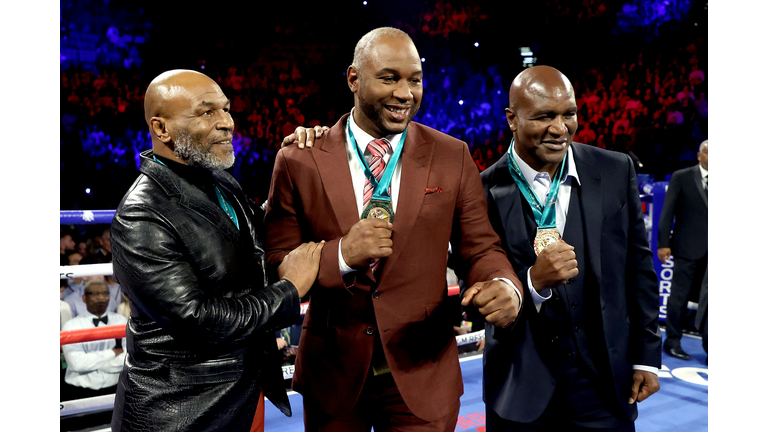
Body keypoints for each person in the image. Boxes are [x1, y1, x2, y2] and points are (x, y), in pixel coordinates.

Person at [266, 27, 523, 432]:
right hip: (334, 375)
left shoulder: (451, 155)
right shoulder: (300, 159)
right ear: (353, 79)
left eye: (415, 79)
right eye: (389, 78)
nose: (405, 93)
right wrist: (340, 256)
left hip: (422, 371)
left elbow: (481, 248)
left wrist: (503, 283)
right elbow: (278, 263)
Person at [109, 69, 324, 432]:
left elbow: (262, 241)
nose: (226, 123)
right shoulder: (142, 214)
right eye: (207, 112)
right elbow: (198, 321)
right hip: (180, 411)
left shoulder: (219, 180)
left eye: (226, 109)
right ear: (161, 129)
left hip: (236, 393)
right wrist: (289, 290)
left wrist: (297, 166)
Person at [480, 65, 661, 431]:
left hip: (607, 384)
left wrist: (646, 358)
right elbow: (481, 281)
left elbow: (638, 267)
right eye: (544, 116)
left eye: (569, 114)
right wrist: (531, 282)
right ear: (512, 120)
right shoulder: (481, 191)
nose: (560, 128)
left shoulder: (614, 169)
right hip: (521, 389)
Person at [656, 140, 708, 360]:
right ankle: (673, 341)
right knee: (679, 296)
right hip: (686, 247)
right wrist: (663, 243)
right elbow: (667, 212)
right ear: (699, 155)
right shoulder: (682, 176)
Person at [61, 279, 127, 400]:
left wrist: (101, 366)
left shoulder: (121, 321)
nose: (101, 297)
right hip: (79, 390)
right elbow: (76, 363)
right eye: (95, 294)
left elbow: (127, 358)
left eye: (105, 293)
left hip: (115, 388)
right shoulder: (71, 326)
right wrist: (112, 352)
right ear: (84, 298)